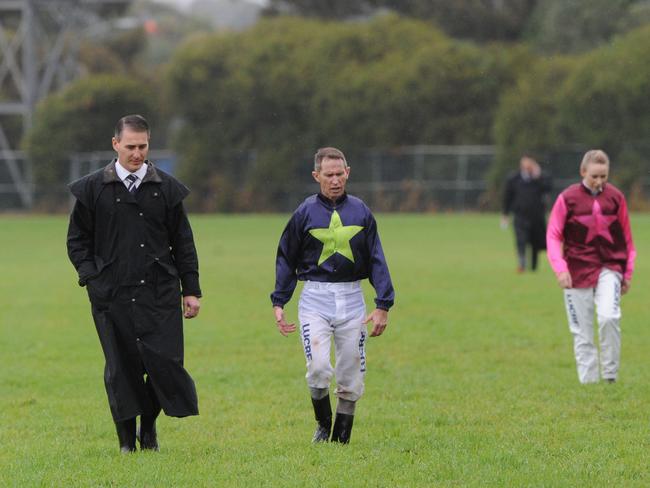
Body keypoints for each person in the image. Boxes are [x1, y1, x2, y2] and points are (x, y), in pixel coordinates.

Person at [66, 114, 202, 452]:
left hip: (160, 291)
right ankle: (126, 441)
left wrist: (192, 290)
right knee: (121, 368)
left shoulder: (167, 189)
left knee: (165, 363)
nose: (137, 153)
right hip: (111, 294)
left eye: (142, 146)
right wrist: (92, 278)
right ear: (115, 144)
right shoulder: (92, 189)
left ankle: (149, 429)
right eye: (130, 147)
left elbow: (183, 243)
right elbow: (77, 242)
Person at [271, 147, 394, 444]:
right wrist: (279, 300)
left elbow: (377, 257)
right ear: (317, 176)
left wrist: (383, 304)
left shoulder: (361, 212)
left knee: (351, 374)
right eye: (329, 175)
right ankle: (323, 425)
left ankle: (342, 439)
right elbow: (286, 256)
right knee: (319, 368)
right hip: (315, 298)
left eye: (340, 174)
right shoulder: (304, 213)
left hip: (352, 300)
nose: (335, 180)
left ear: (347, 173)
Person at [546, 149, 635, 384]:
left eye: (604, 176)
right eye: (594, 176)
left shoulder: (616, 198)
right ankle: (588, 383)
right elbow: (553, 234)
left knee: (609, 317)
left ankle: (609, 376)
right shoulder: (567, 199)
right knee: (582, 331)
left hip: (610, 266)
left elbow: (627, 238)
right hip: (576, 269)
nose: (599, 182)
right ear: (583, 171)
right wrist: (560, 268)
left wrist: (627, 272)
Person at [502, 154, 552, 272]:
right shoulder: (514, 179)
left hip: (536, 216)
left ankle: (534, 266)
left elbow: (548, 188)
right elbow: (507, 197)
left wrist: (537, 177)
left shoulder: (540, 178)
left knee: (536, 242)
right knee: (521, 240)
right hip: (520, 215)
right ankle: (521, 263)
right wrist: (505, 214)